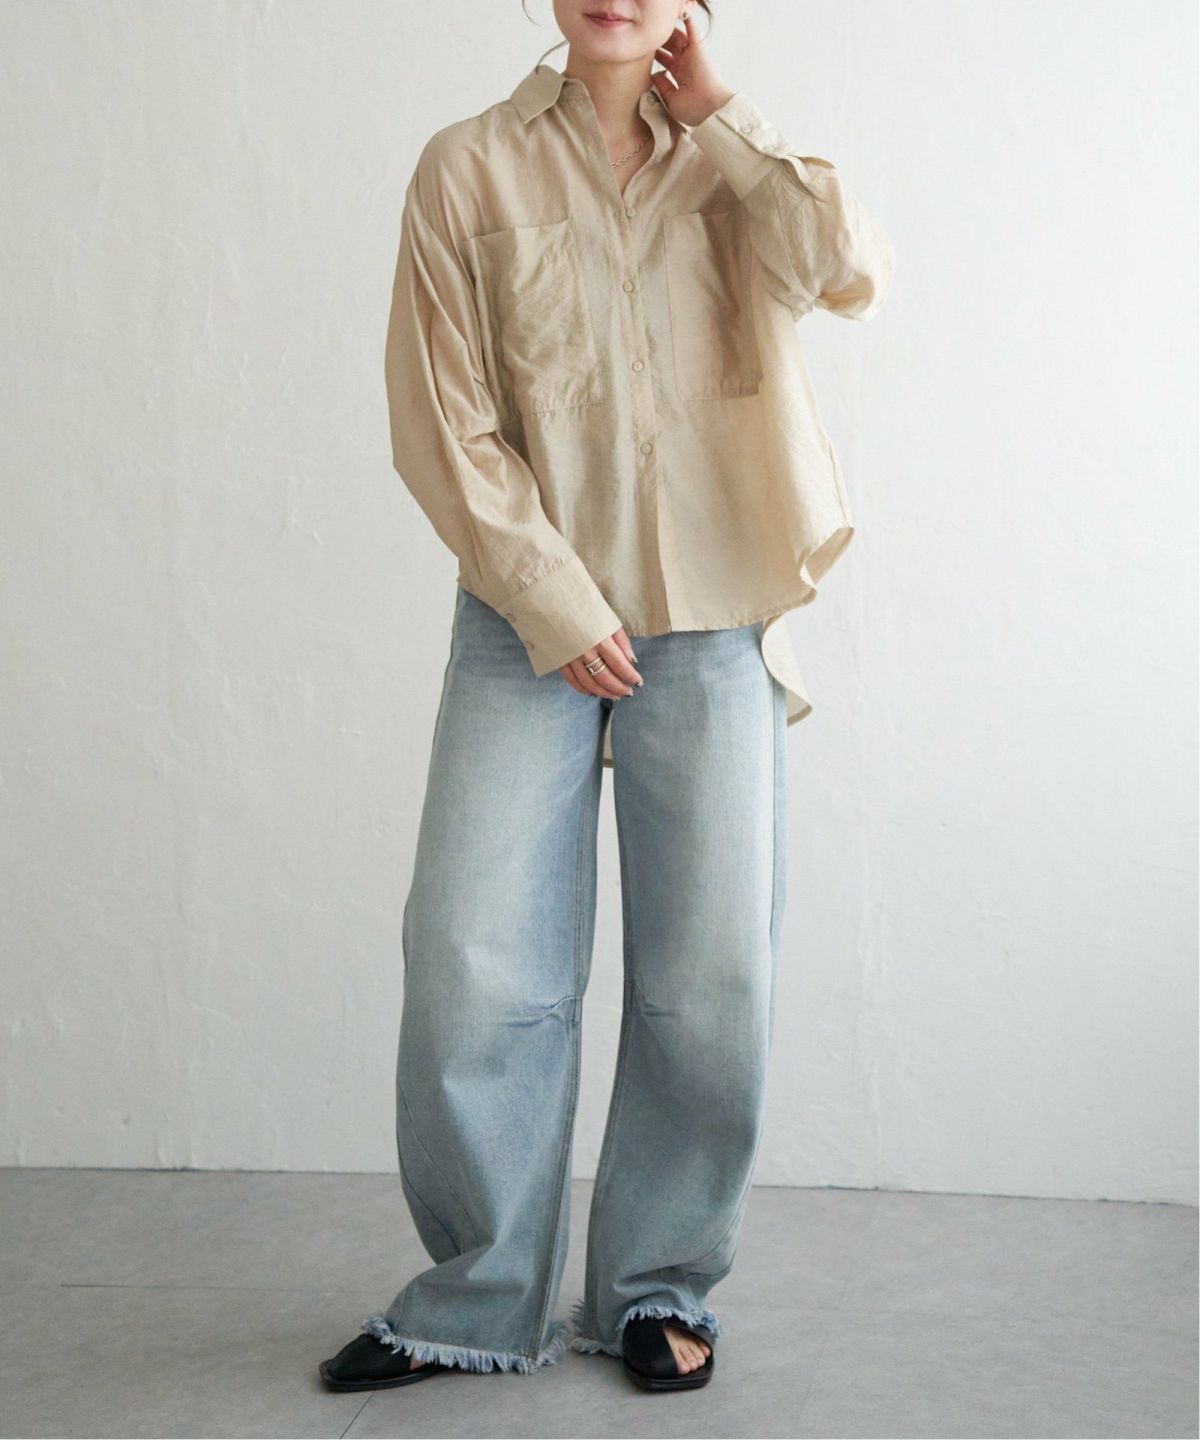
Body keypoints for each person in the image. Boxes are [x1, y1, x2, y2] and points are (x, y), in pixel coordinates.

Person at [319, 0, 894, 1396]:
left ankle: (654, 1286)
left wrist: (722, 118)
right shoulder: (468, 166)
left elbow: (847, 270)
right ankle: (475, 1295)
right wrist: (554, 600)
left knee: (710, 975)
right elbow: (439, 414)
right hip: (528, 622)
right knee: (471, 958)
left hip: (715, 614)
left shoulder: (736, 167)